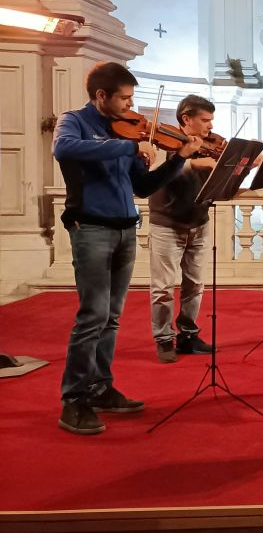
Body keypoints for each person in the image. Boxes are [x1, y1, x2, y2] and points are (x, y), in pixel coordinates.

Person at [53, 63, 203, 434]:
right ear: (101, 95)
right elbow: (64, 148)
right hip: (91, 227)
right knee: (92, 315)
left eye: (132, 99)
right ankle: (74, 399)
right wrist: (129, 146)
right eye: (125, 98)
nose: (130, 106)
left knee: (112, 316)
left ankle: (101, 387)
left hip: (125, 229)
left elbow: (144, 186)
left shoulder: (126, 131)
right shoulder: (74, 122)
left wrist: (179, 158)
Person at [148, 95, 220, 363]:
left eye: (211, 120)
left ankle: (188, 335)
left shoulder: (208, 147)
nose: (210, 126)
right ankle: (164, 339)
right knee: (163, 287)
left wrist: (241, 166)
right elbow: (156, 172)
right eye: (205, 120)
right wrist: (191, 162)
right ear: (186, 119)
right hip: (167, 224)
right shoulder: (162, 142)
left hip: (199, 221)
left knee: (195, 284)